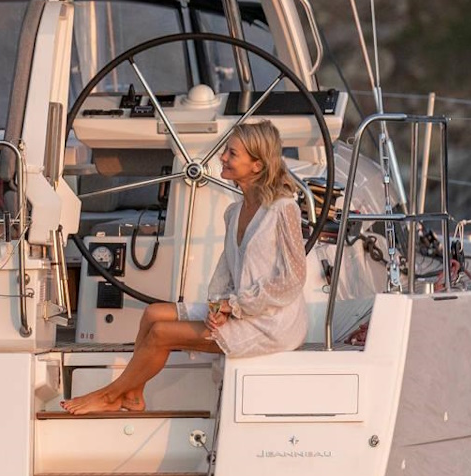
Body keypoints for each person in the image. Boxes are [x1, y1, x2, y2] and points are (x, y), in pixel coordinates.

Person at [62, 120, 308, 414]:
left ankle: (110, 396)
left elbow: (293, 279)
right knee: (153, 313)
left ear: (257, 165)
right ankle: (134, 394)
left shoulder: (283, 208)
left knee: (161, 333)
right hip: (239, 308)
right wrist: (218, 307)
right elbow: (227, 271)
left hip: (271, 323)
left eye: (232, 153)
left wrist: (233, 306)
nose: (222, 158)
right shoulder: (234, 212)